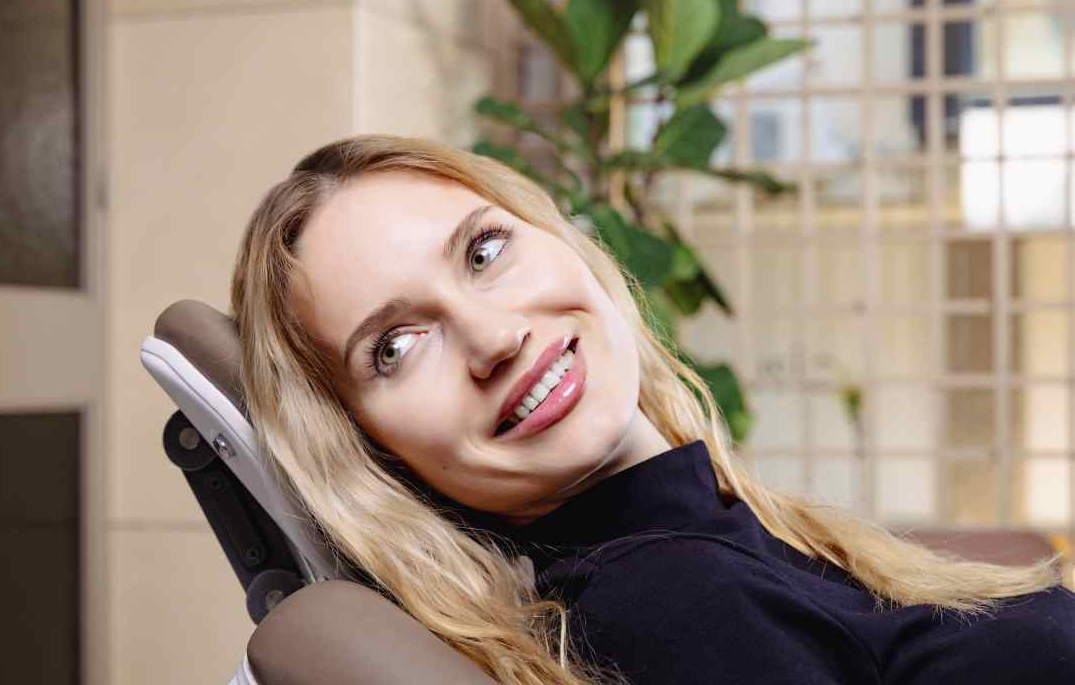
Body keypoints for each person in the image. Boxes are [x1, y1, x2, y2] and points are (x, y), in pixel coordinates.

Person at [229, 134, 1075, 685]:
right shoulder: (674, 605)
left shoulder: (709, 543)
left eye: (484, 250)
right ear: (373, 454)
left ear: (563, 240)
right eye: (396, 347)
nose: (496, 338)